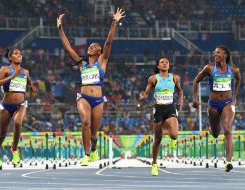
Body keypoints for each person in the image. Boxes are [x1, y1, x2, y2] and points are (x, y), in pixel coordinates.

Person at [57, 8, 125, 166]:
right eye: (89, 46)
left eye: (93, 46)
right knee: (85, 122)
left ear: (99, 51)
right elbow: (68, 48)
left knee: (94, 134)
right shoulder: (82, 64)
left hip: (98, 100)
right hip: (84, 98)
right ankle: (86, 154)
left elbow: (108, 41)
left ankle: (93, 149)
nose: (90, 47)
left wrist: (114, 22)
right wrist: (60, 28)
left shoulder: (102, 61)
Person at [193, 45, 241, 172]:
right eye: (214, 53)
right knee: (215, 134)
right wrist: (194, 99)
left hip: (228, 103)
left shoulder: (234, 70)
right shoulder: (209, 68)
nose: (215, 55)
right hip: (213, 104)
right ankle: (212, 129)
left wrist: (234, 96)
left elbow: (238, 80)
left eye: (218, 53)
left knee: (227, 129)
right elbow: (196, 81)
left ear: (225, 55)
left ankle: (229, 162)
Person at [0, 47, 36, 169]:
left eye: (20, 54)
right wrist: (11, 77)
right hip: (6, 105)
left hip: (20, 105)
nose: (19, 55)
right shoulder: (5, 69)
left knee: (18, 122)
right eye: (16, 54)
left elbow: (29, 81)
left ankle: (14, 150)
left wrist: (32, 87)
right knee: (2, 133)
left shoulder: (25, 72)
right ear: (10, 57)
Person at [139, 57, 183, 176]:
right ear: (158, 66)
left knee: (174, 134)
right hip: (158, 109)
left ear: (169, 65)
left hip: (170, 108)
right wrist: (144, 95)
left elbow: (180, 91)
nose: (164, 64)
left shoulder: (174, 78)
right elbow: (147, 92)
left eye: (166, 62)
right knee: (157, 139)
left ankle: (173, 138)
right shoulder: (153, 78)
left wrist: (181, 100)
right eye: (162, 62)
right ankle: (154, 164)